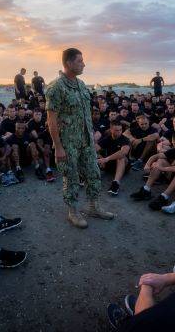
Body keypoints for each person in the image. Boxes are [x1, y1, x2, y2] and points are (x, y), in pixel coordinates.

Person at [46, 48, 114, 229]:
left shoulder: (82, 84)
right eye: (79, 61)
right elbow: (51, 121)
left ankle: (93, 206)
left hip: (86, 140)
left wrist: (91, 137)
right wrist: (58, 147)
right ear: (68, 63)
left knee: (93, 173)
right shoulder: (56, 87)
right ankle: (73, 212)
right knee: (71, 177)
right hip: (68, 143)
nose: (83, 64)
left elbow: (85, 114)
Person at [96, 121, 131, 196]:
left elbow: (124, 152)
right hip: (108, 164)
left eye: (120, 130)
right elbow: (94, 149)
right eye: (116, 130)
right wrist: (99, 156)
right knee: (95, 155)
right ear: (111, 130)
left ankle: (115, 183)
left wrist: (106, 159)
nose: (119, 132)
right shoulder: (107, 138)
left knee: (121, 157)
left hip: (123, 165)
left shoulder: (125, 140)